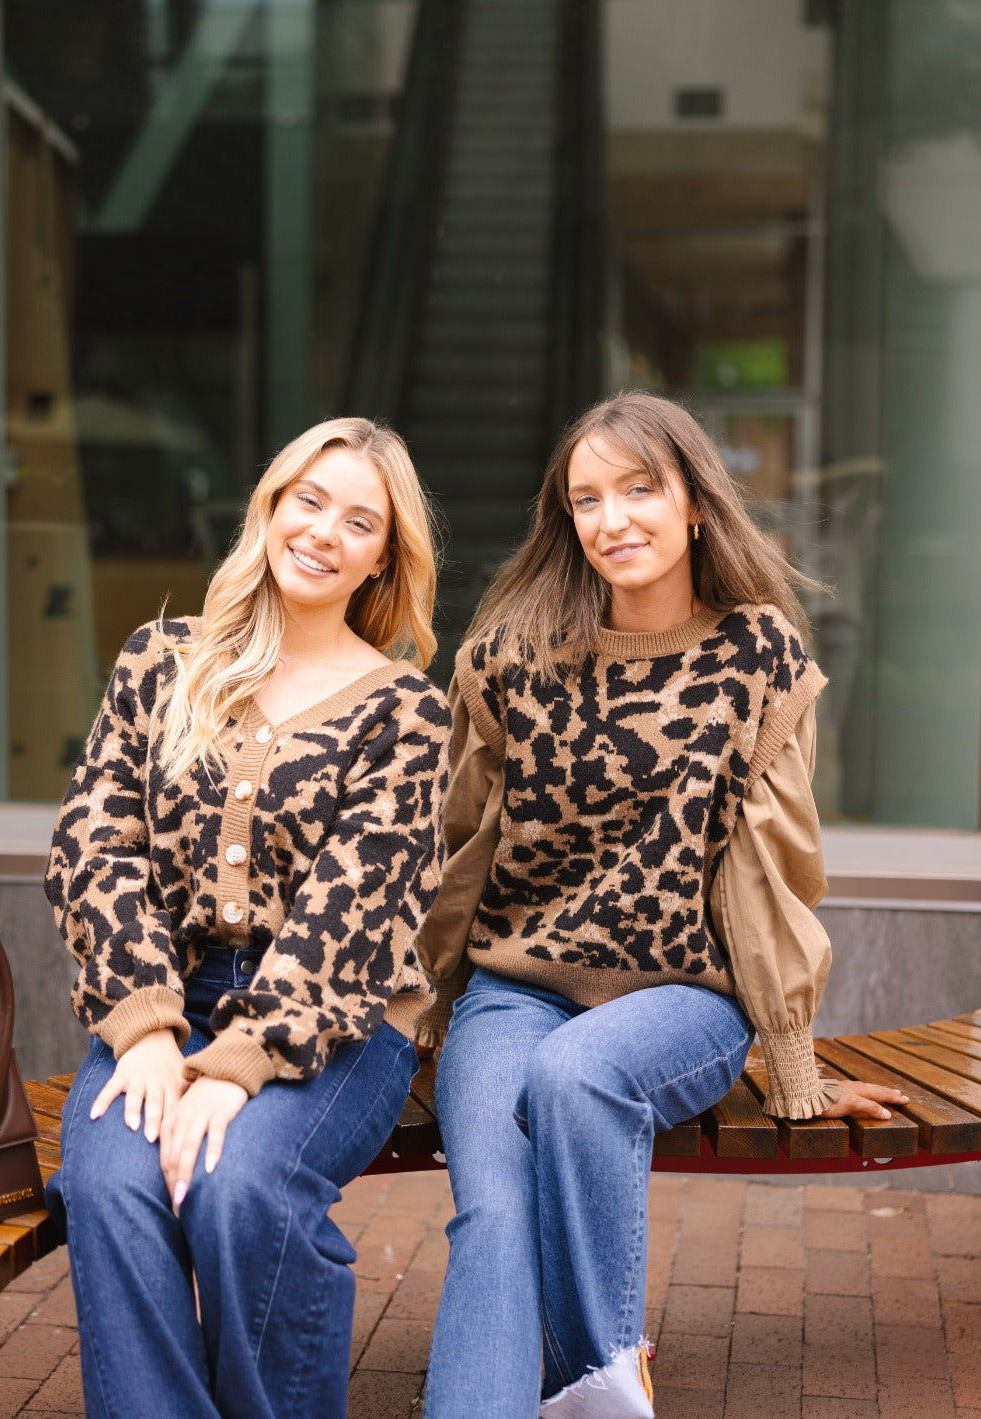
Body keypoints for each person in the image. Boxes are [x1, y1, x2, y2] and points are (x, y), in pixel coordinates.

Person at [413, 392, 907, 1419]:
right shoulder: (512, 656)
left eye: (638, 489)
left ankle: (600, 1380)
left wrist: (792, 1061)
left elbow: (772, 875)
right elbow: (458, 851)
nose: (612, 519)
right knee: (491, 1223)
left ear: (692, 504)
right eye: (586, 499)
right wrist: (422, 1012)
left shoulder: (754, 656)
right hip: (515, 989)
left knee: (575, 1074)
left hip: (686, 998)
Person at [44, 418, 451, 1419]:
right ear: (269, 507)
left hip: (342, 1021)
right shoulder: (162, 661)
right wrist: (145, 1030)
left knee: (237, 1186)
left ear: (381, 558)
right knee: (109, 1186)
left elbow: (352, 911)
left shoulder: (406, 712)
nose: (323, 531)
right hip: (169, 998)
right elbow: (95, 844)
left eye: (359, 521)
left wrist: (236, 1068)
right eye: (307, 500)